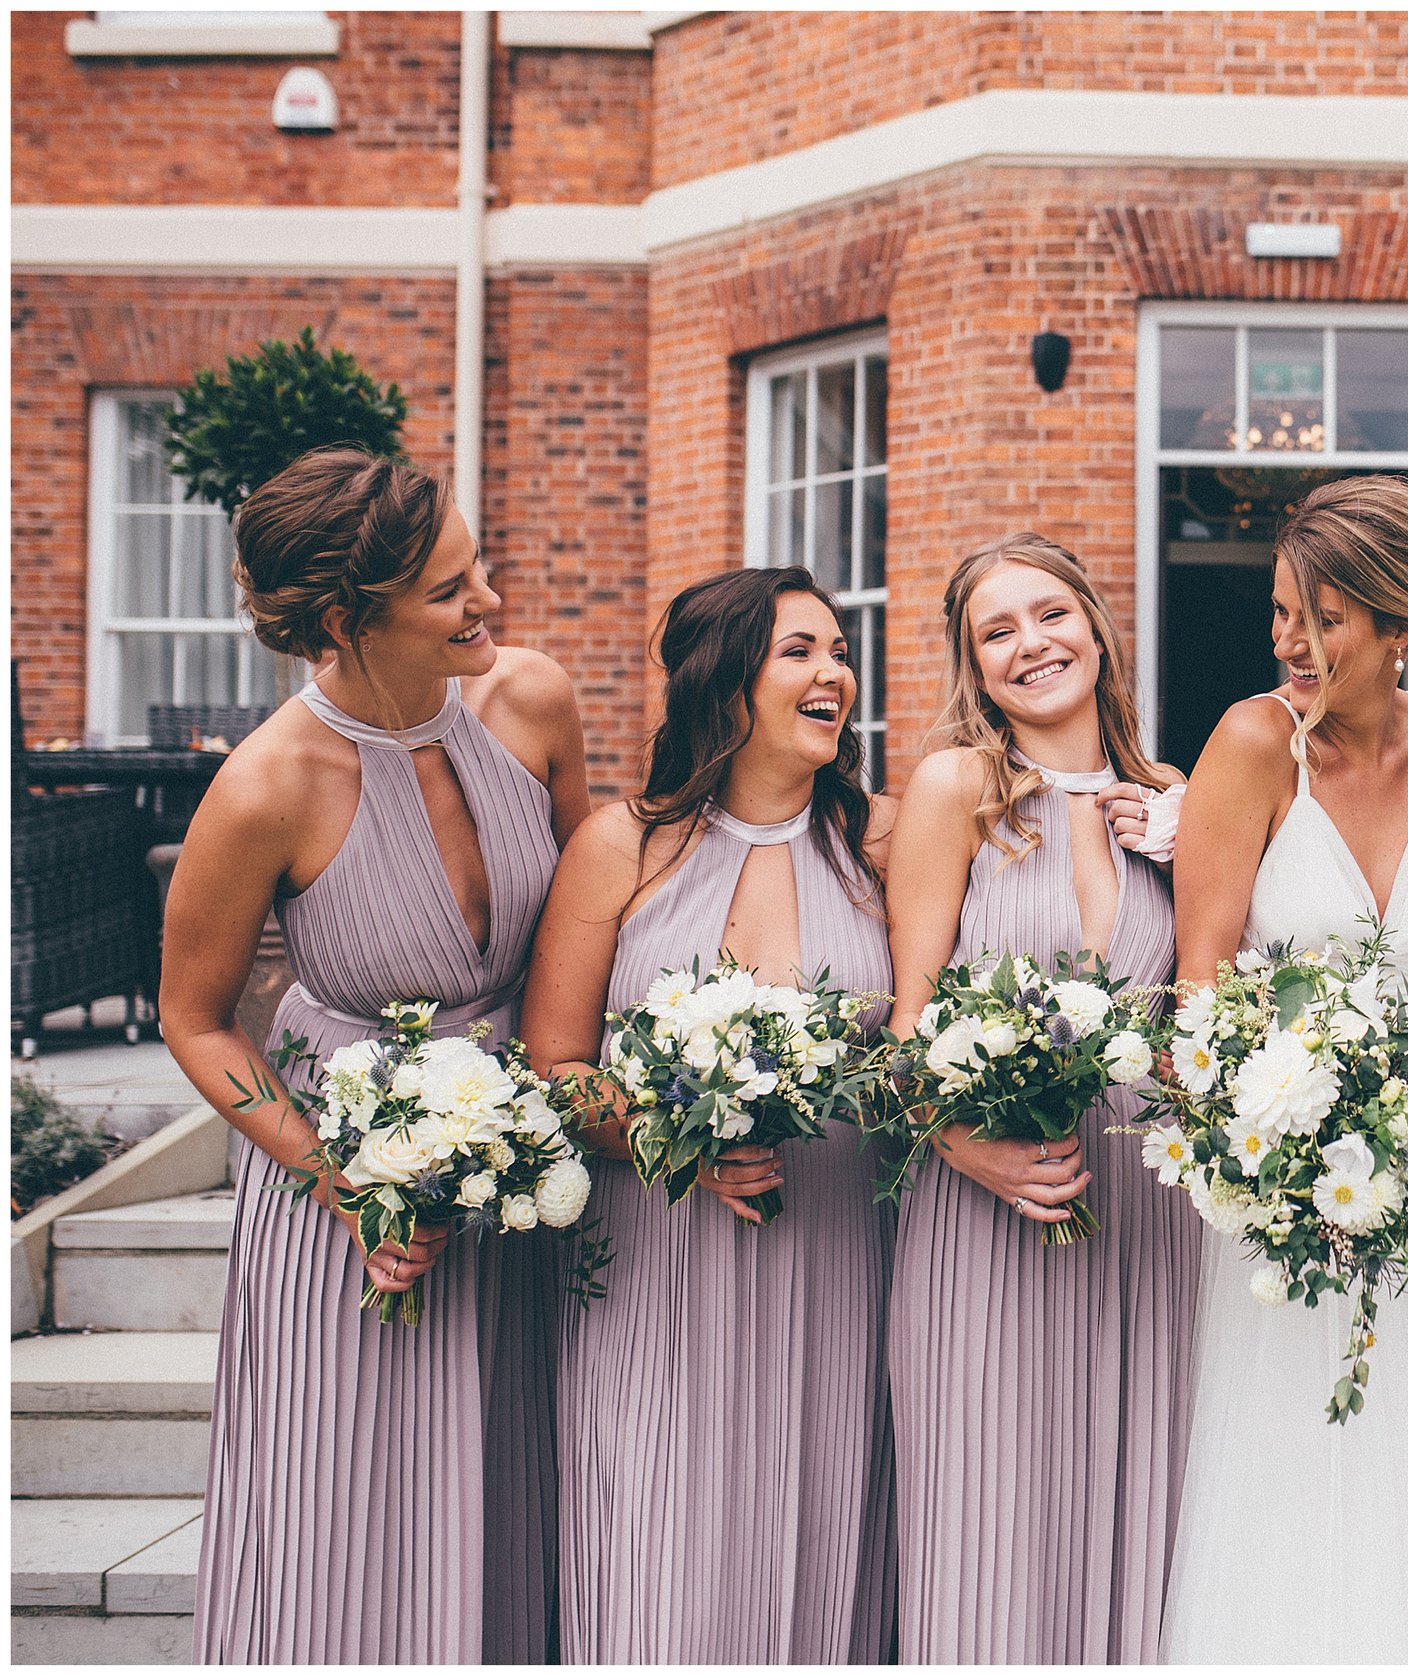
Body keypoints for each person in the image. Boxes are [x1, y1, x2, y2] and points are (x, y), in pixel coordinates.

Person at [161, 445, 585, 1663]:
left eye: (478, 564)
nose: (489, 600)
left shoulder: (534, 698)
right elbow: (195, 1016)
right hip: (346, 1191)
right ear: (349, 620)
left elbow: (583, 921)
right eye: (452, 589)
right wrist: (340, 1178)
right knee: (351, 1518)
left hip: (522, 1177)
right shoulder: (266, 787)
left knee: (517, 1492)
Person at [1162, 475, 1408, 1662]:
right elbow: (1200, 978)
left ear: (1403, 622)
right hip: (1285, 1137)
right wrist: (1256, 1141)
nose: (1291, 640)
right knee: (1285, 1433)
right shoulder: (1253, 740)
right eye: (1281, 611)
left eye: (1323, 615)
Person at [522, 567, 899, 1661]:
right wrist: (664, 1136)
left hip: (833, 1252)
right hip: (657, 1256)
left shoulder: (880, 839)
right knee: (652, 1545)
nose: (835, 670)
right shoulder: (624, 843)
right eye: (801, 650)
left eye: (839, 650)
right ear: (723, 680)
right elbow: (555, 1062)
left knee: (819, 1536)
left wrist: (1157, 796)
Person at [881, 532, 1191, 1663]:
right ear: (974, 668)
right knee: (990, 1515)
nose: (1031, 645)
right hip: (990, 1203)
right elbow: (907, 1016)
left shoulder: (1171, 797)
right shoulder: (959, 787)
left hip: (1149, 1212)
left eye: (1049, 614)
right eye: (996, 632)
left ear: (1097, 630)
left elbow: (1214, 1009)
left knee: (1144, 1513)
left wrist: (1191, 839)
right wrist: (969, 1148)